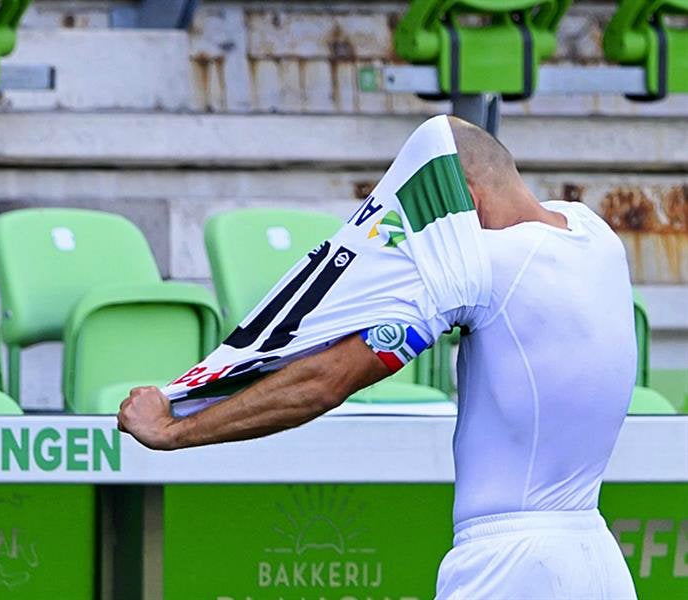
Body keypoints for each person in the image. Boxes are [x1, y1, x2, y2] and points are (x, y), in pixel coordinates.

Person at [118, 115, 638, 599]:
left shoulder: (482, 266)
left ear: (467, 204)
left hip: (511, 567)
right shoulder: (595, 234)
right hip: (599, 559)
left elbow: (322, 383)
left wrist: (176, 429)